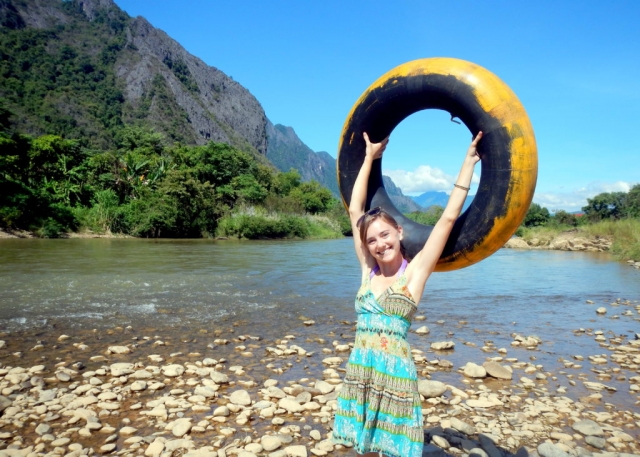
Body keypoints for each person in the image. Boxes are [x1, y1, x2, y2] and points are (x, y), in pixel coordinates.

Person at [332, 131, 483, 457]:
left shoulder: (414, 274)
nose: (379, 244)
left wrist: (469, 162)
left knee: (395, 449)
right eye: (372, 240)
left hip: (395, 377)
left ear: (399, 232)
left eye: (385, 235)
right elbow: (355, 207)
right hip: (361, 372)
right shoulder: (367, 269)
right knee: (363, 447)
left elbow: (447, 219)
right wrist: (370, 158)